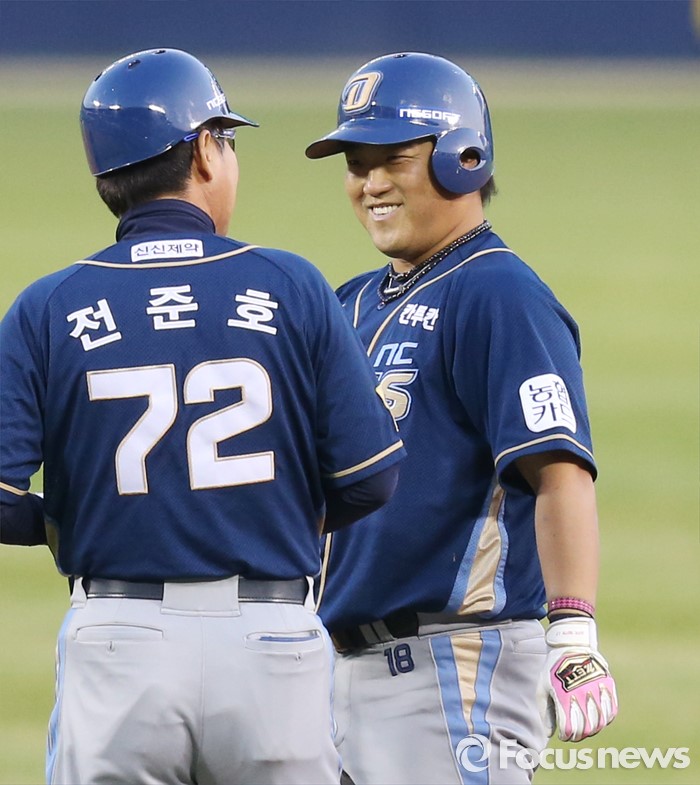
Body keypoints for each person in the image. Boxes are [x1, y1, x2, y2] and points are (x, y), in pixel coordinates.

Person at [0, 48, 406, 785]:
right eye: (228, 140)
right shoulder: (290, 285)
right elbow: (370, 478)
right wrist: (267, 511)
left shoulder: (50, 306)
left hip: (116, 644)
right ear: (202, 151)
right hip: (270, 645)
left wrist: (65, 519)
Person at [305, 52, 618, 784]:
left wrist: (573, 632)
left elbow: (560, 471)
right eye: (357, 164)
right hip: (339, 673)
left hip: (454, 668)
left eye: (394, 159)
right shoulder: (351, 302)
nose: (371, 183)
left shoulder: (497, 292)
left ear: (462, 158)